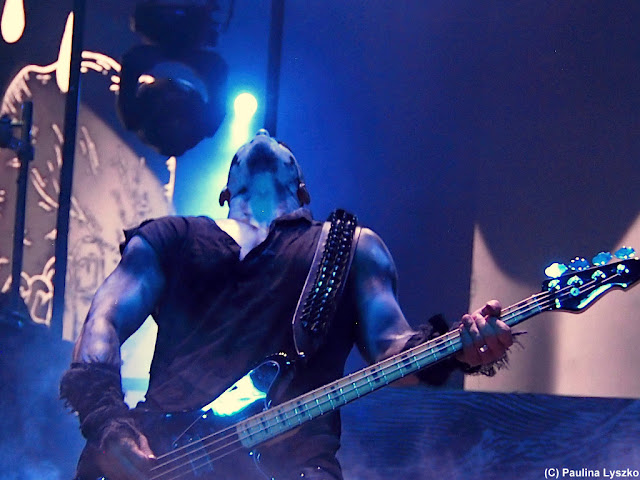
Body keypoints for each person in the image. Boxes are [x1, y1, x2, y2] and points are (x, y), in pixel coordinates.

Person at [60, 129, 513, 480]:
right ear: (225, 190)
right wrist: (109, 425)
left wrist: (457, 347)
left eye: (279, 143)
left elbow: (394, 348)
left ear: (302, 189)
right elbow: (103, 319)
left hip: (289, 466)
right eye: (250, 143)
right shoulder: (172, 236)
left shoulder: (350, 247)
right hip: (160, 458)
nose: (262, 134)